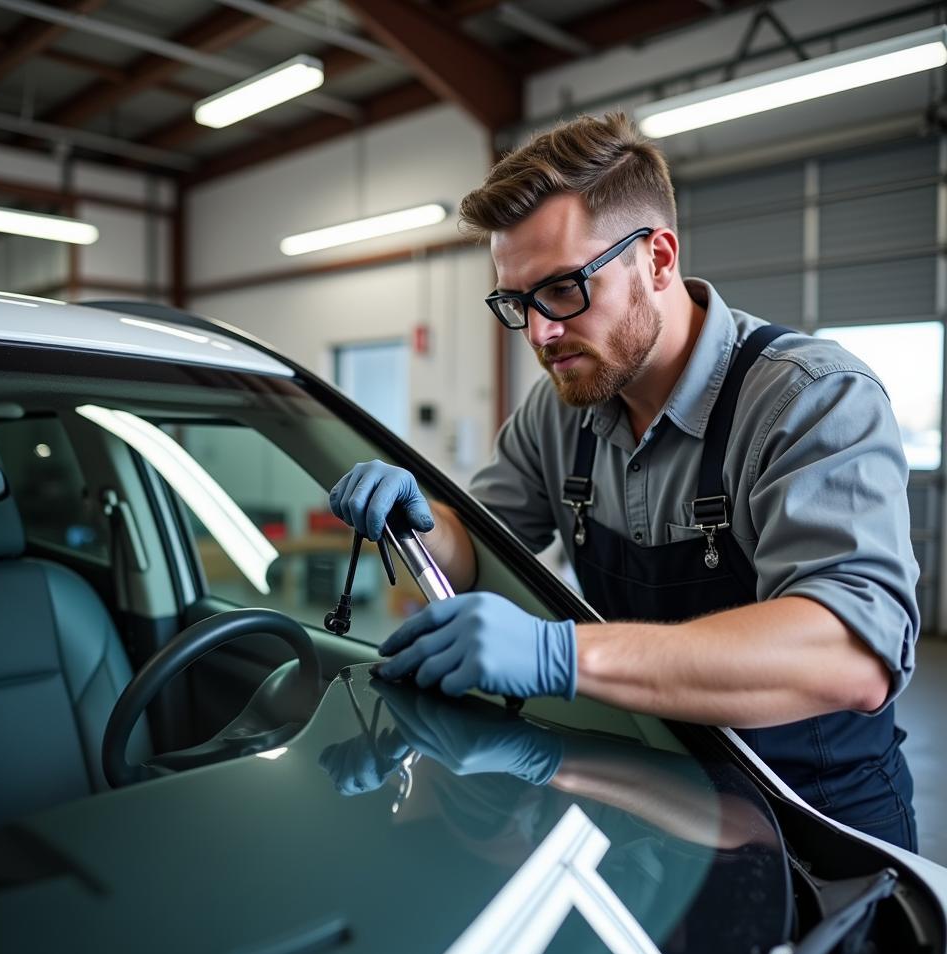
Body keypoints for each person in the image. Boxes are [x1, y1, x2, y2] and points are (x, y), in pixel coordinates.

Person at [329, 112, 920, 850]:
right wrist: (424, 524)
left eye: (564, 289)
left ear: (659, 259)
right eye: (518, 302)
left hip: (817, 826)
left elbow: (849, 654)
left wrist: (558, 656)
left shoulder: (810, 399)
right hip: (652, 803)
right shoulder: (559, 413)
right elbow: (482, 552)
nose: (540, 332)